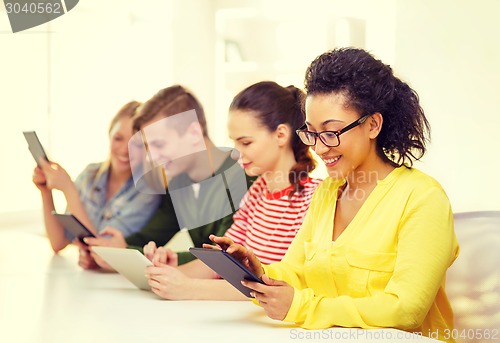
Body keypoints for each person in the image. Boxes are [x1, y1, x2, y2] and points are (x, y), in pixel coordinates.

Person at [207, 48, 459, 342]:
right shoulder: (328, 192)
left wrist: (303, 307)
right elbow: (296, 272)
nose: (319, 148)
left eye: (331, 132)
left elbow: (407, 309)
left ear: (373, 124)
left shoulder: (422, 198)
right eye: (311, 133)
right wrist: (257, 271)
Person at [144, 81, 322, 300]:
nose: (236, 153)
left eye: (246, 143)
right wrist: (166, 275)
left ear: (281, 135)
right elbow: (221, 262)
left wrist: (188, 288)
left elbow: (280, 287)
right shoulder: (256, 194)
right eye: (234, 143)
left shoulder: (314, 200)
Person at [81, 85, 254, 270]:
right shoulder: (180, 182)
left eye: (159, 144)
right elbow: (150, 235)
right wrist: (112, 251)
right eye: (148, 146)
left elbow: (224, 258)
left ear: (194, 133)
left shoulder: (245, 179)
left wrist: (158, 257)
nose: (152, 157)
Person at [32, 101, 161, 255]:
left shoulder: (148, 192)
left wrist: (69, 191)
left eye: (137, 144)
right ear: (109, 135)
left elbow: (103, 251)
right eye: (118, 138)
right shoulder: (90, 175)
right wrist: (45, 191)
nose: (124, 150)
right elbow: (58, 242)